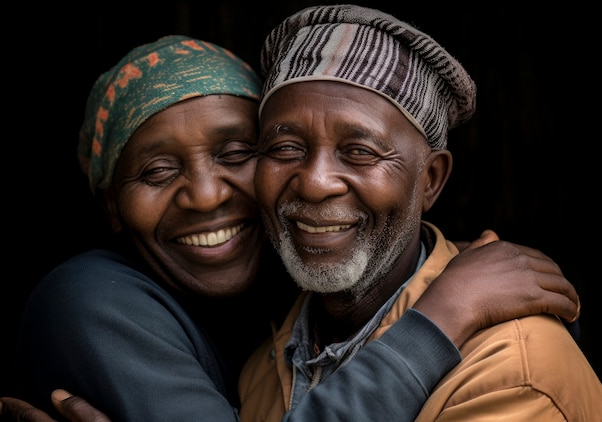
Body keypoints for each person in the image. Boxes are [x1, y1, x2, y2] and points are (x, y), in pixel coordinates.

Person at [0, 31, 582, 422]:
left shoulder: (508, 369)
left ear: (429, 181)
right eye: (155, 170)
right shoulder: (92, 302)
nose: (204, 195)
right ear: (111, 207)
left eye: (236, 152)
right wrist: (442, 317)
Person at [234, 4, 602, 421]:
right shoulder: (264, 369)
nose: (315, 182)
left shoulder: (510, 371)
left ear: (430, 180)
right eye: (285, 148)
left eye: (360, 152)